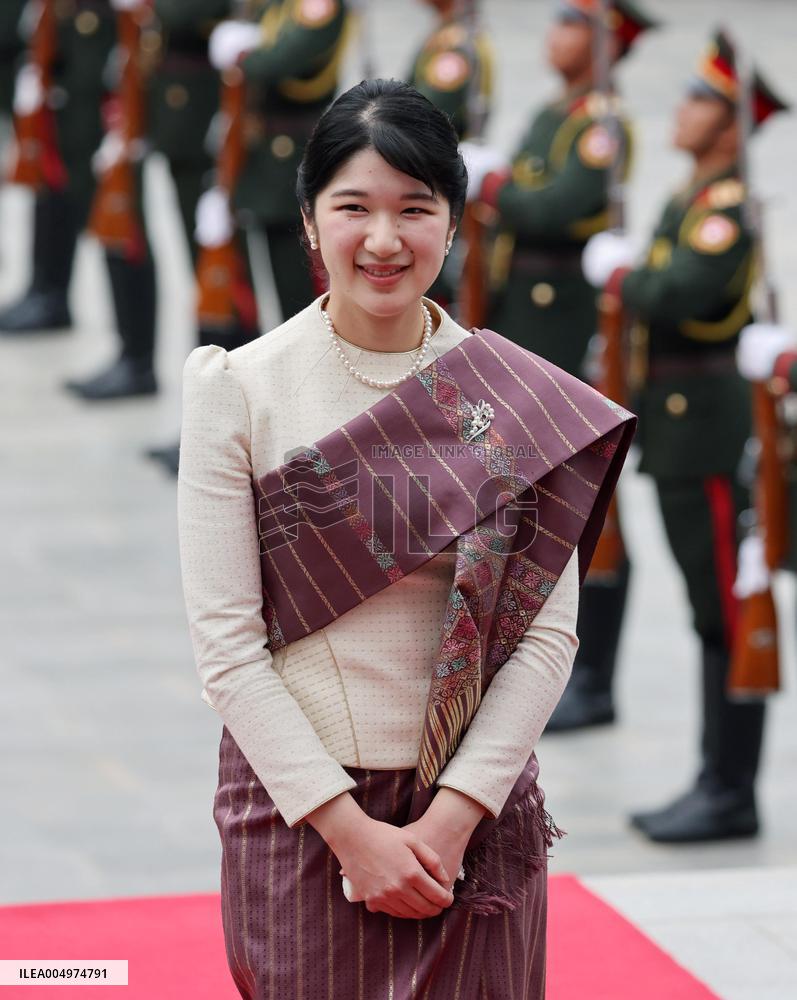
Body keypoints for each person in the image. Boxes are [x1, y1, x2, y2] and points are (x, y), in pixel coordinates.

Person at [178, 79, 634, 998]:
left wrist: (450, 822)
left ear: (452, 225)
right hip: (302, 810)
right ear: (309, 221)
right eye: (353, 208)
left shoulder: (519, 398)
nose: (383, 241)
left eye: (414, 210)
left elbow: (546, 640)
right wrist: (351, 833)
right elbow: (227, 650)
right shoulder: (238, 388)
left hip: (474, 806)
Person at [582, 30, 789, 842]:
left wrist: (627, 277)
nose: (683, 110)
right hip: (677, 427)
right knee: (708, 613)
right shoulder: (691, 198)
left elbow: (683, 292)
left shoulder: (725, 211)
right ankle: (714, 776)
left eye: (701, 102)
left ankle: (729, 788)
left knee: (724, 615)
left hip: (706, 431)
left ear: (733, 126)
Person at [475, 0, 657, 733]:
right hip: (527, 316)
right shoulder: (558, 113)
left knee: (590, 510)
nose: (555, 36)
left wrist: (492, 189)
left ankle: (594, 678)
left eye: (572, 23)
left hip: (570, 325)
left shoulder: (600, 125)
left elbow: (554, 208)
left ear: (604, 41)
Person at [0, 0, 116, 335]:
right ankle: (43, 288)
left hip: (84, 65)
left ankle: (53, 295)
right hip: (58, 63)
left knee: (70, 182)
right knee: (48, 178)